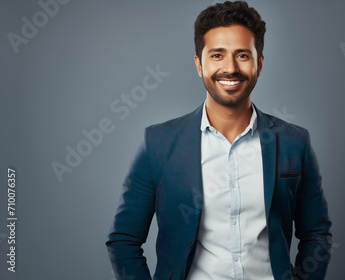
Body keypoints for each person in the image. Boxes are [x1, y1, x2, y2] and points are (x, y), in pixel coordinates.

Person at [106, 1, 332, 279]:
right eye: (217, 55)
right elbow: (124, 241)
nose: (230, 68)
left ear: (259, 64)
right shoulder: (158, 144)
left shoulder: (294, 142)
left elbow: (317, 235)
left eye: (242, 55)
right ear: (199, 65)